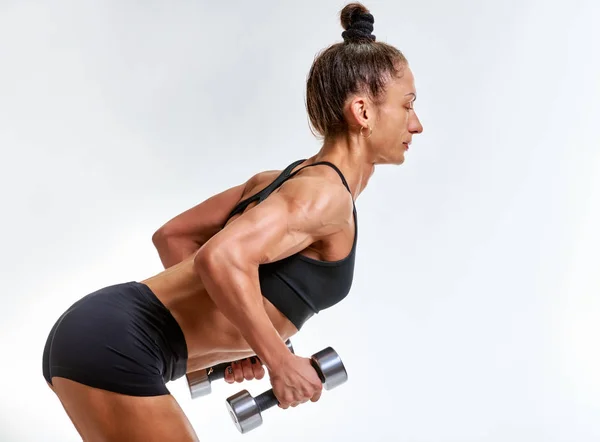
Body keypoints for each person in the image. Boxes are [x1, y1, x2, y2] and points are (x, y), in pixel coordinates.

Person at [41, 2, 423, 440]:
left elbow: (174, 237)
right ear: (363, 112)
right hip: (119, 345)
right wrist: (278, 361)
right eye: (407, 105)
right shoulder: (326, 195)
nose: (417, 125)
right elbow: (220, 258)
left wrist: (239, 338)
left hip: (103, 329)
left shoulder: (279, 180)